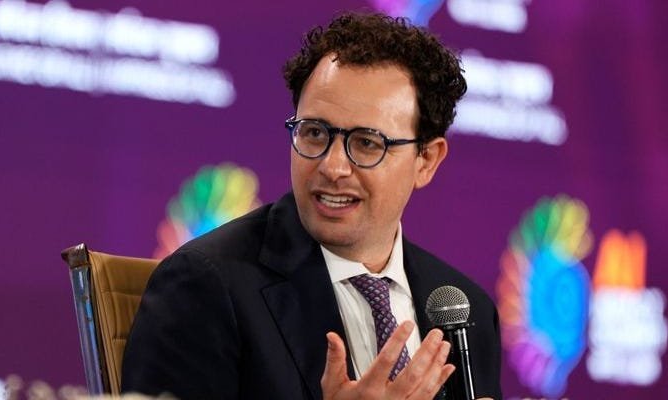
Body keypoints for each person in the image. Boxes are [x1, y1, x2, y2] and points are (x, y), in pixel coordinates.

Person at [122, 13, 502, 400]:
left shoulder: (466, 309)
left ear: (426, 160)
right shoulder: (206, 284)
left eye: (366, 143)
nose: (332, 167)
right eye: (315, 133)